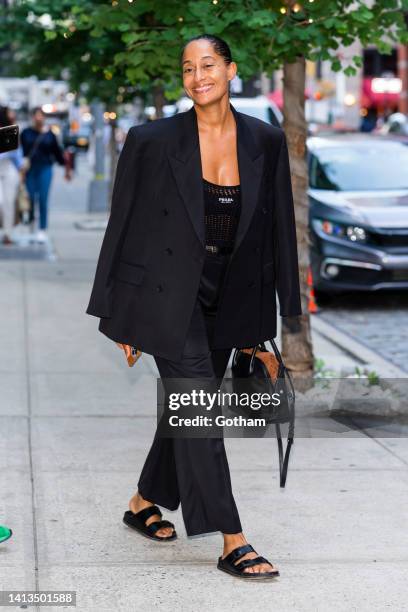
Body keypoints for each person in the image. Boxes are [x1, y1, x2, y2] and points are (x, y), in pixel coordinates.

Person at [86, 34, 302, 580]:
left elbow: (276, 230)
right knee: (201, 410)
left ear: (231, 70)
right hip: (165, 299)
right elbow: (124, 226)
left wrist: (273, 318)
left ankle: (142, 503)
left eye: (208, 64)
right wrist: (119, 313)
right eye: (188, 68)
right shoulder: (151, 140)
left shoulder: (265, 140)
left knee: (186, 408)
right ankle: (233, 538)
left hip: (228, 298)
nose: (197, 75)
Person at [20, 107, 71, 243]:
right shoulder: (25, 133)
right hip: (30, 169)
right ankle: (31, 223)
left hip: (45, 168)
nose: (38, 118)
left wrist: (66, 168)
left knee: (43, 198)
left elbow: (57, 153)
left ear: (44, 118)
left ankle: (42, 228)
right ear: (32, 117)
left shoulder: (50, 134)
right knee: (30, 197)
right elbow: (21, 152)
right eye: (36, 115)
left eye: (41, 116)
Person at [0, 106, 24, 245]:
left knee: (9, 203)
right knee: (1, 202)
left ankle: (7, 234)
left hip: (9, 169)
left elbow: (17, 154)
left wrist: (21, 169)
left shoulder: (11, 131)